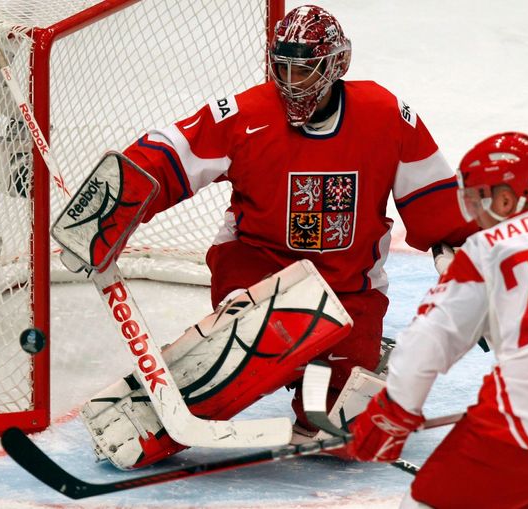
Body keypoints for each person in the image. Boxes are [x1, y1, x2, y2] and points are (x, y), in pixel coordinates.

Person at [77, 4, 475, 469]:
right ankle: (181, 397)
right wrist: (109, 206)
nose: (291, 81)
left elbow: (435, 198)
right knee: (260, 342)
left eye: (304, 70)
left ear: (338, 65)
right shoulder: (246, 113)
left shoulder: (386, 116)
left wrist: (463, 262)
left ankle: (348, 362)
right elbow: (169, 153)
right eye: (282, 66)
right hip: (259, 269)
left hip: (349, 285)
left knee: (340, 434)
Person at [346, 131, 528, 509]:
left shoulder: (484, 251)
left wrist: (395, 412)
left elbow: (427, 342)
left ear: (505, 198)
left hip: (524, 421)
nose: (473, 214)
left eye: (476, 199)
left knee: (423, 503)